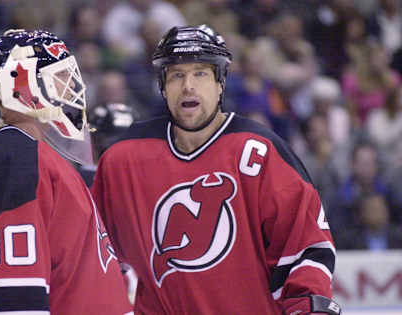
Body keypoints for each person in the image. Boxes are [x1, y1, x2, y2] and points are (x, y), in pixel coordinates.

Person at [91, 24, 341, 314]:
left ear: (220, 82)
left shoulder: (260, 151)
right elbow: (96, 253)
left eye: (200, 73)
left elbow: (306, 247)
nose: (188, 86)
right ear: (163, 85)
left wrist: (307, 306)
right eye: (176, 75)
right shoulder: (123, 159)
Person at [0, 29, 133, 314]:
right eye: (60, 78)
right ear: (23, 84)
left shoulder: (32, 156)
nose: (71, 88)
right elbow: (9, 298)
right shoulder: (16, 159)